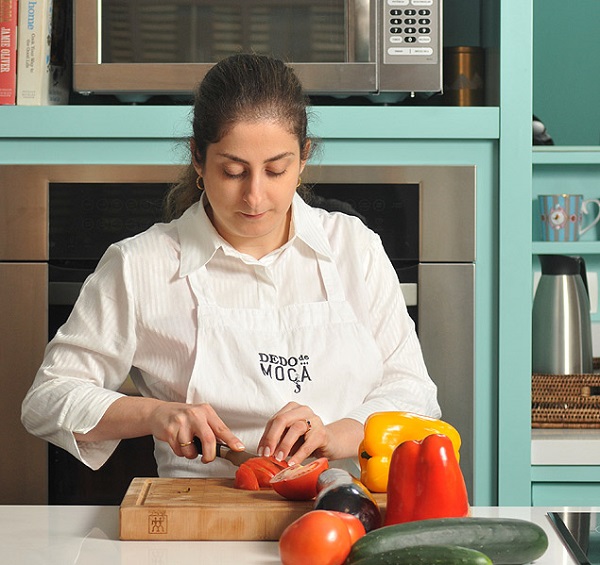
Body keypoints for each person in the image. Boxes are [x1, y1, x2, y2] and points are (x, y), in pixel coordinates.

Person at [21, 54, 440, 478]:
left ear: (303, 158)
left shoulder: (355, 248)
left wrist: (336, 434)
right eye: (233, 171)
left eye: (276, 170)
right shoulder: (140, 265)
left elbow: (415, 394)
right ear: (199, 159)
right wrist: (155, 415)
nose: (255, 197)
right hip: (204, 518)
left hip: (346, 509)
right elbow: (48, 399)